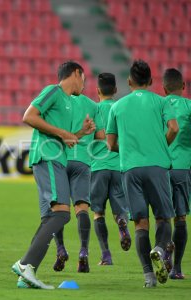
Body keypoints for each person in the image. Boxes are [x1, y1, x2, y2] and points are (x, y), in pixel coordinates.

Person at [11, 61, 96, 289]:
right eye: (84, 78)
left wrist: (81, 132)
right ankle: (25, 264)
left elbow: (63, 136)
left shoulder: (69, 102)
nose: (85, 85)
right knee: (61, 215)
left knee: (51, 217)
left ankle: (26, 275)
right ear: (77, 73)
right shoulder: (54, 91)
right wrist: (63, 132)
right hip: (47, 157)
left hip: (57, 158)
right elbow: (29, 116)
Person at [106, 60, 178, 288]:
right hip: (157, 166)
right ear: (151, 81)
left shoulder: (117, 106)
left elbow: (110, 145)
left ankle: (148, 277)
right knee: (164, 217)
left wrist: (129, 149)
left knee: (140, 223)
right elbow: (174, 128)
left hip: (130, 168)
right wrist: (161, 146)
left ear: (129, 82)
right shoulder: (161, 101)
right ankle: (158, 249)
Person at [52, 92, 105, 273]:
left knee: (58, 209)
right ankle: (83, 251)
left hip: (61, 158)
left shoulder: (60, 102)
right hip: (82, 161)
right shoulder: (92, 105)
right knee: (82, 208)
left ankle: (60, 250)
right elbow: (101, 134)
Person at [89, 73, 131, 266]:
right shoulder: (121, 108)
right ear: (115, 90)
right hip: (118, 166)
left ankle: (106, 255)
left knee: (98, 212)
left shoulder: (93, 110)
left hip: (97, 167)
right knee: (119, 211)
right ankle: (122, 224)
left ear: (97, 91)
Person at [162, 68, 191, 280]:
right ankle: (177, 269)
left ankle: (163, 252)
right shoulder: (189, 106)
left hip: (159, 168)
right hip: (182, 167)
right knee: (180, 217)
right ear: (183, 86)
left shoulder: (157, 106)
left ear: (163, 89)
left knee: (162, 216)